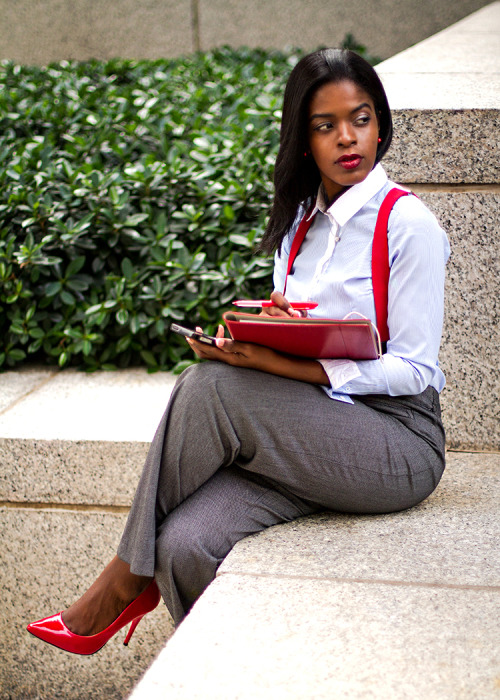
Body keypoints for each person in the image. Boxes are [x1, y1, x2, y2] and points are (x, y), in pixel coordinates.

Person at [27, 48, 450, 655]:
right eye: (325, 126)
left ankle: (121, 581)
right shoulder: (301, 223)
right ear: (303, 141)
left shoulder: (408, 225)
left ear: (380, 125)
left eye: (360, 119)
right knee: (183, 545)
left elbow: (415, 368)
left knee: (209, 386)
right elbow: (306, 328)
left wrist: (283, 364)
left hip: (396, 444)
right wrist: (274, 328)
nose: (347, 138)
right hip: (310, 436)